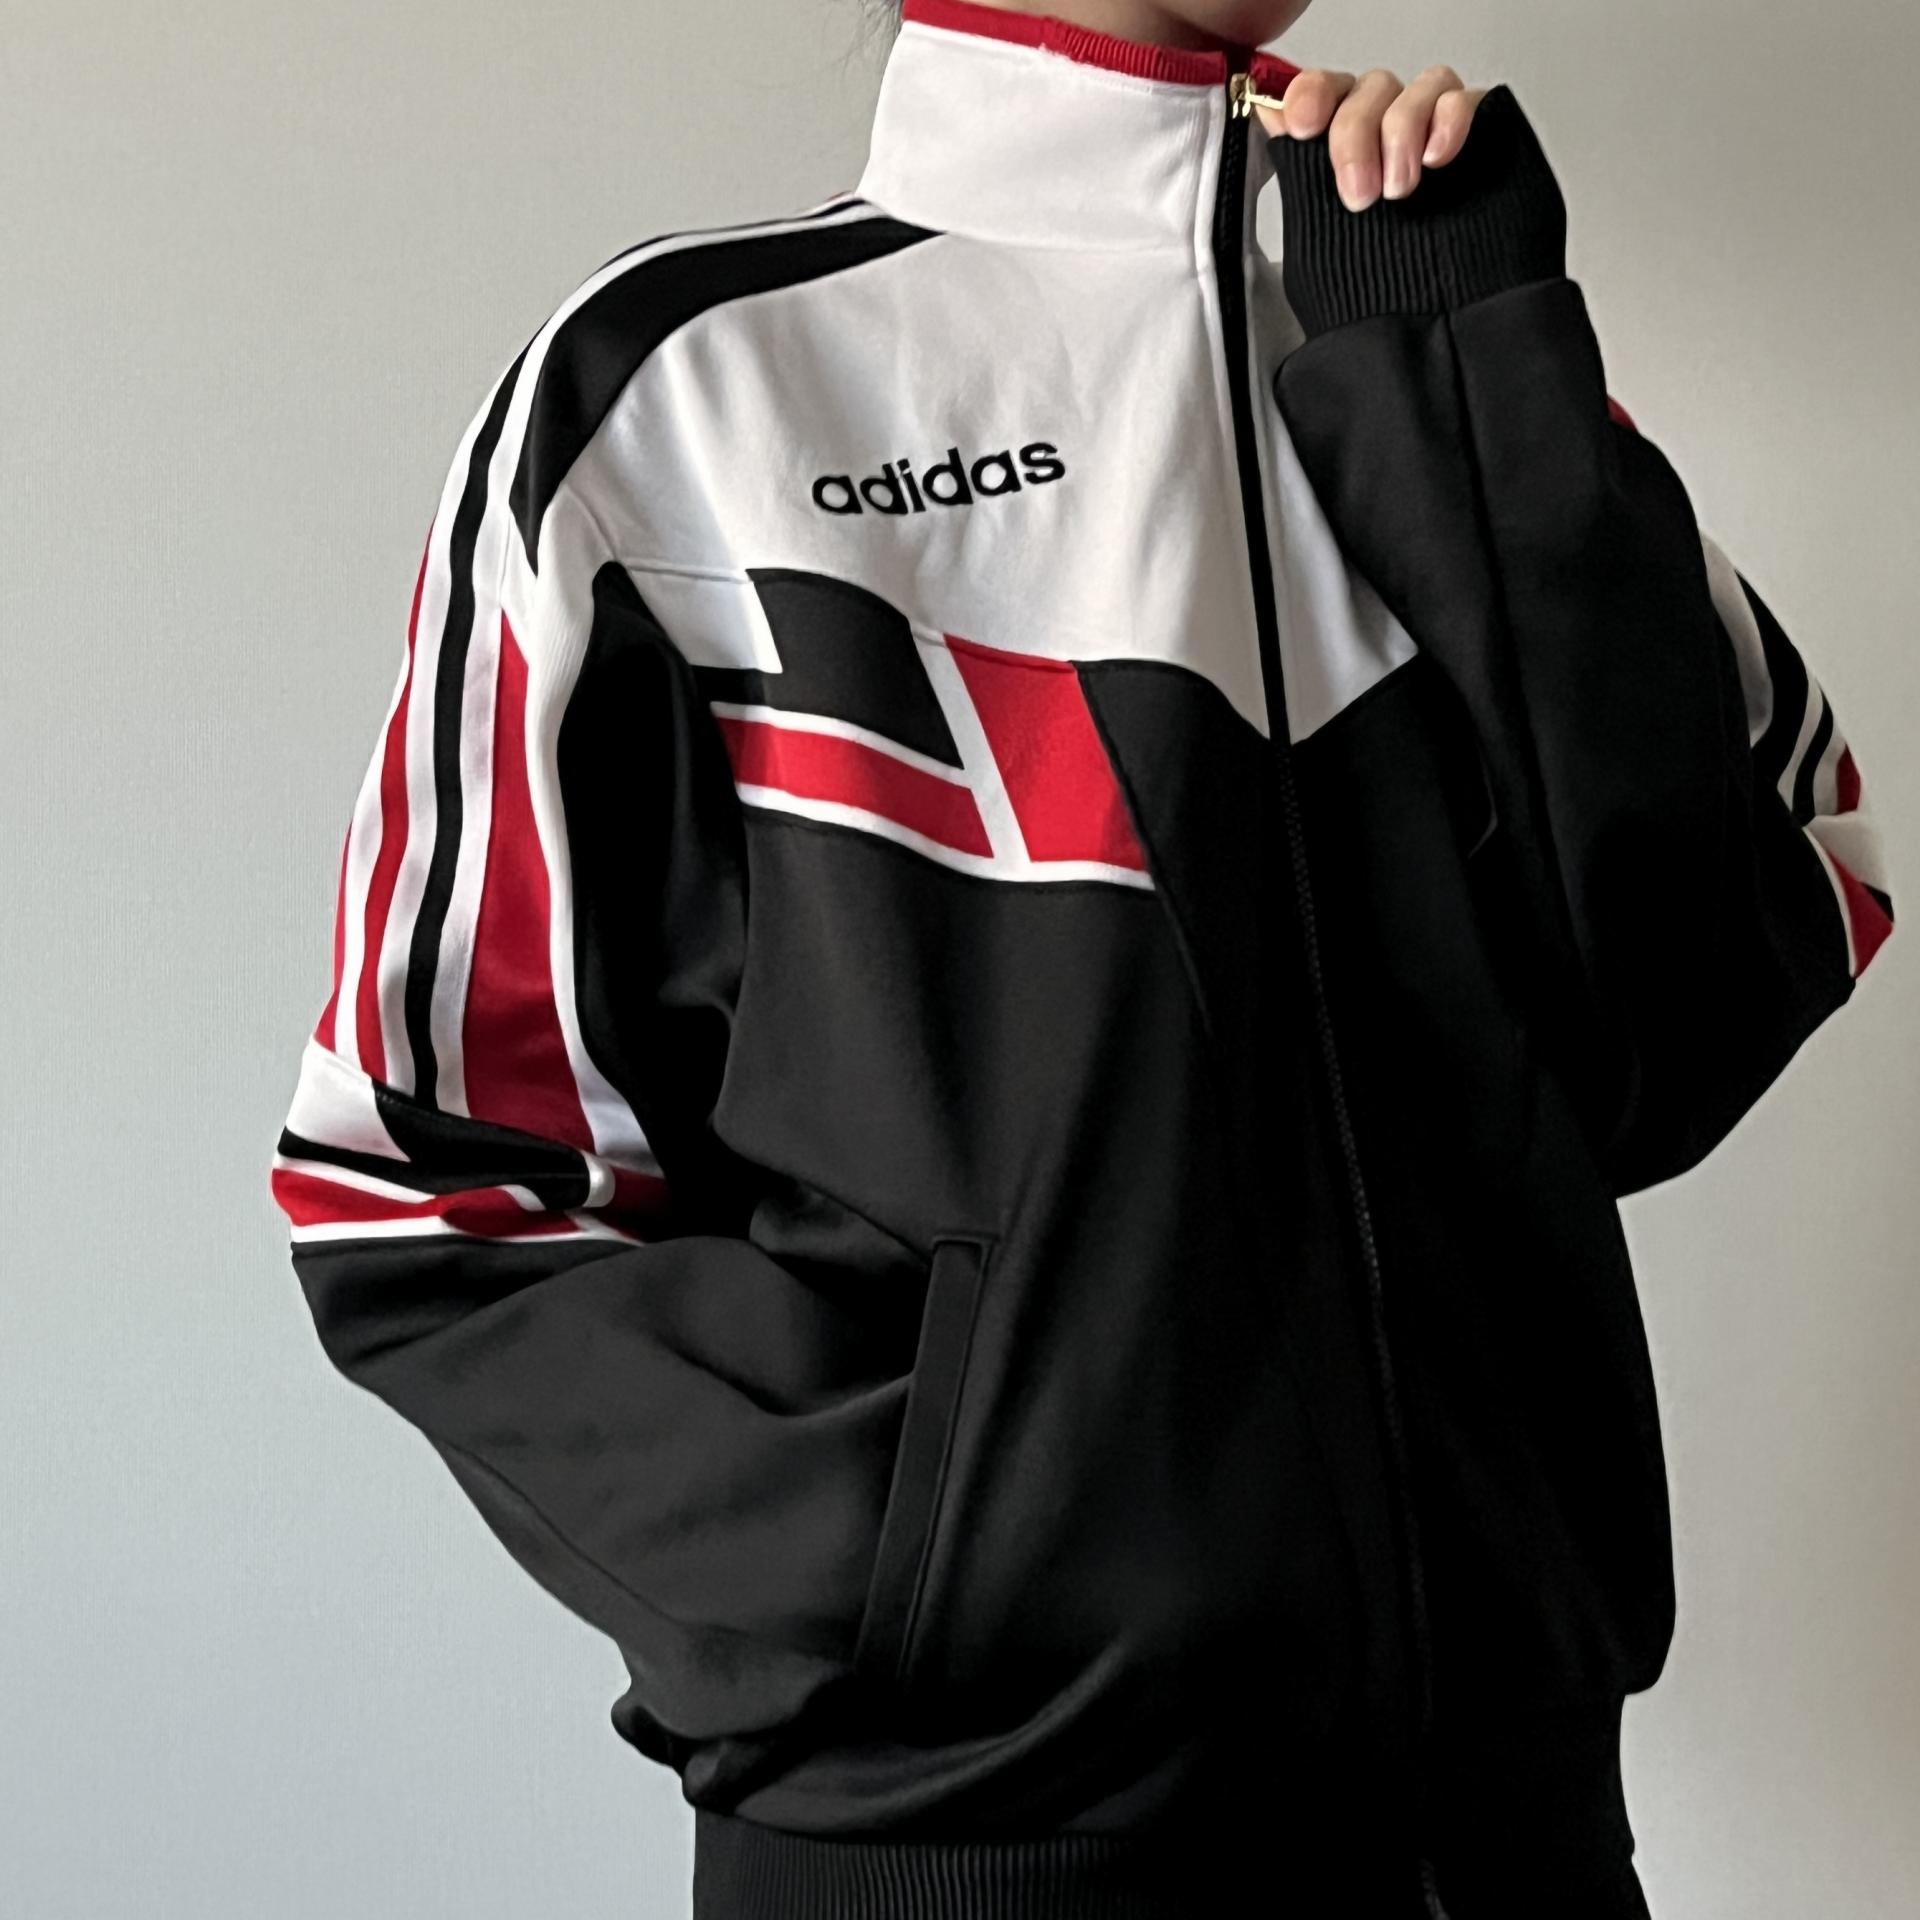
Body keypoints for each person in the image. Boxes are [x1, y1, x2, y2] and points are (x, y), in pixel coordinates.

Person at [266, 1, 1896, 1914]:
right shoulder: (698, 392)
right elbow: (423, 1191)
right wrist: (947, 1591)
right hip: (962, 1858)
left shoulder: (1414, 337)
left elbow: (1697, 1010)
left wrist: (1467, 381)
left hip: (1513, 1847)